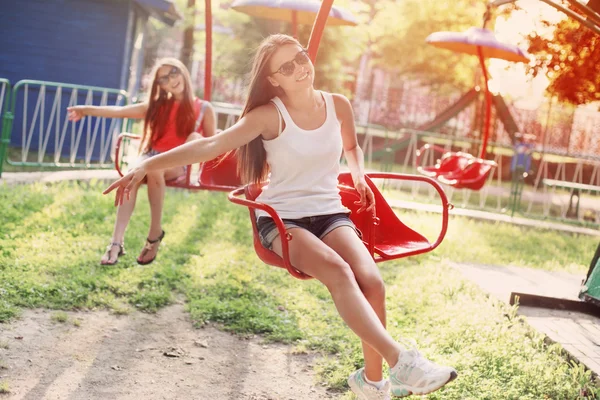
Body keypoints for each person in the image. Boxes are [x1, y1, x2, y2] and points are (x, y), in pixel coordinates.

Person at [104, 35, 457, 398]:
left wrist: (357, 172)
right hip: (283, 219)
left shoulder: (339, 105)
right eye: (286, 67)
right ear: (273, 80)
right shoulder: (269, 115)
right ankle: (403, 362)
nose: (300, 69)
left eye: (301, 58)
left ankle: (372, 382)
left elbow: (351, 146)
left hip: (330, 212)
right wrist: (148, 163)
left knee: (372, 282)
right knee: (338, 272)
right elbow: (211, 145)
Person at [68, 58, 216, 265]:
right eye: (163, 79)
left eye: (173, 72)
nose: (171, 79)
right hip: (151, 156)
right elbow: (119, 111)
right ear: (160, 86)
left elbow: (214, 144)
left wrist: (203, 174)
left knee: (158, 164)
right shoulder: (157, 106)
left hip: (176, 161)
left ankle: (154, 233)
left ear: (182, 71)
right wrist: (85, 110)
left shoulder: (203, 109)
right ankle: (115, 243)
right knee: (133, 175)